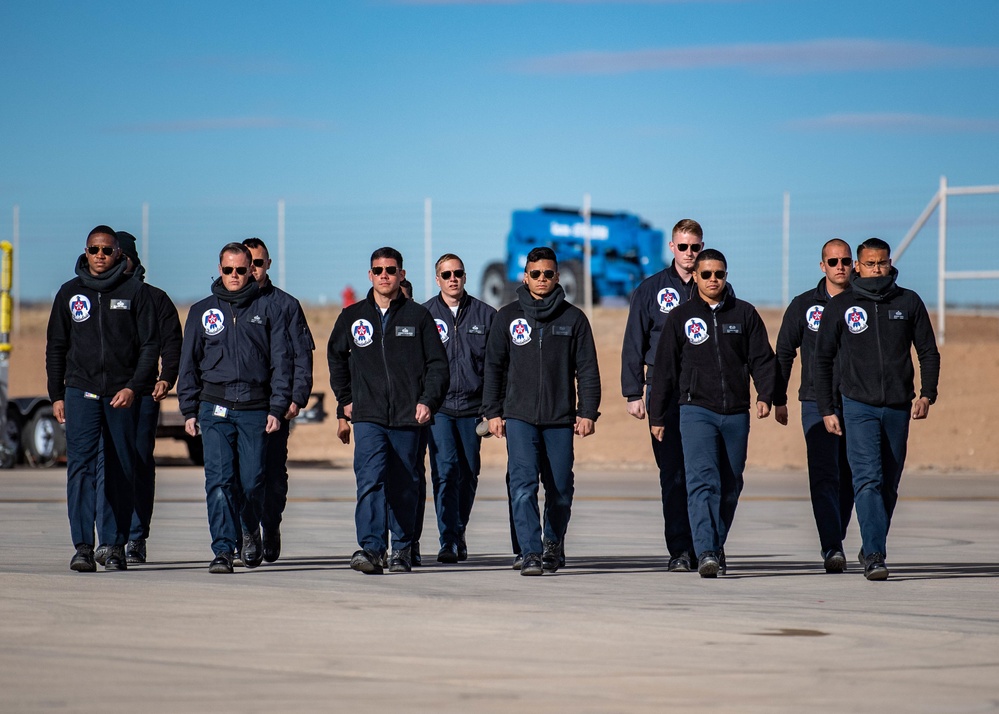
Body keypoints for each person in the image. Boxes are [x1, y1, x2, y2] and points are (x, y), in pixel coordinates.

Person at [814, 237, 940, 581]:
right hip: (858, 405)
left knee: (889, 482)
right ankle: (874, 554)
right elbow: (822, 359)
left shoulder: (908, 302)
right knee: (867, 479)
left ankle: (872, 538)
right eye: (869, 264)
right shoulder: (842, 305)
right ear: (858, 265)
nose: (876, 269)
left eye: (881, 263)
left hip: (899, 406)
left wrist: (927, 393)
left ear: (890, 263)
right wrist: (827, 407)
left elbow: (928, 351)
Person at [649, 248, 776, 578]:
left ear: (726, 276)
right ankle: (705, 550)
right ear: (696, 277)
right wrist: (658, 416)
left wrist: (766, 395)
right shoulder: (680, 317)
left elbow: (763, 359)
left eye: (719, 274)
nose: (713, 279)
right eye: (706, 274)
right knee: (701, 482)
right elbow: (663, 370)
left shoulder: (745, 314)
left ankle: (715, 543)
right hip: (695, 411)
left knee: (731, 483)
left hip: (736, 412)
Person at [328, 247, 449, 574]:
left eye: (391, 270)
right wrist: (345, 399)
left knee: (404, 484)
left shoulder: (418, 317)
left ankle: (403, 547)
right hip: (368, 416)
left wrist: (428, 401)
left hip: (409, 418)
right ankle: (372, 549)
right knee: (369, 479)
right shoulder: (352, 317)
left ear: (401, 275)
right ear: (370, 275)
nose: (384, 275)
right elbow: (336, 358)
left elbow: (438, 365)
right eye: (378, 270)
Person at [45, 225, 158, 572]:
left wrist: (133, 386)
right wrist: (57, 394)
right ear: (86, 250)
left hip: (120, 396)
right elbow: (56, 347)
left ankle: (114, 544)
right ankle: (82, 546)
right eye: (94, 249)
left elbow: (150, 345)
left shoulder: (134, 293)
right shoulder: (69, 293)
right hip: (80, 391)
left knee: (120, 468)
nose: (99, 256)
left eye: (107, 250)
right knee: (80, 468)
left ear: (118, 255)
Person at [482, 247, 601, 576]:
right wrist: (492, 412)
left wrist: (587, 411)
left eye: (548, 274)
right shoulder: (507, 316)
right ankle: (530, 552)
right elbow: (494, 368)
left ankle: (552, 543)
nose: (542, 279)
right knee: (522, 486)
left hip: (560, 419)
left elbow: (587, 370)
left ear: (558, 277)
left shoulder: (574, 318)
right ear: (525, 276)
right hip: (518, 417)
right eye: (536, 274)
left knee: (561, 488)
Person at [177, 243, 292, 574]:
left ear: (251, 270)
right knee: (219, 480)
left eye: (242, 270)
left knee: (254, 481)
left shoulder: (268, 309)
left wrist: (277, 406)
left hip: (256, 408)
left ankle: (249, 526)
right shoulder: (202, 312)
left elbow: (281, 364)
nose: (235, 276)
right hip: (214, 407)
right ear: (219, 269)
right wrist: (188, 410)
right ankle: (223, 550)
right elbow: (189, 364)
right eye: (228, 270)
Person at [93, 231, 183, 565]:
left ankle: (135, 536)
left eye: (118, 254)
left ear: (129, 259)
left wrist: (165, 377)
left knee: (139, 460)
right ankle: (108, 537)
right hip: (105, 392)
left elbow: (172, 342)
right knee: (108, 461)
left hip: (143, 393)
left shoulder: (154, 298)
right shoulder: (95, 296)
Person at [620, 218, 703, 572]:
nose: (689, 254)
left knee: (705, 473)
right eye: (682, 247)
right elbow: (634, 342)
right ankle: (681, 550)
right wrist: (632, 393)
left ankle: (708, 546)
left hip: (703, 392)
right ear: (672, 247)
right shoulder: (651, 288)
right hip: (662, 391)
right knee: (673, 473)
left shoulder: (713, 285)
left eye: (694, 247)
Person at [773, 238, 854, 573]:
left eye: (845, 261)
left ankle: (836, 533)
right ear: (822, 266)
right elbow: (783, 352)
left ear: (854, 265)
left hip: (858, 402)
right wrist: (778, 398)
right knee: (824, 474)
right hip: (815, 402)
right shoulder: (804, 305)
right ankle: (831, 547)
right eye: (832, 262)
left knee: (851, 477)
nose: (839, 267)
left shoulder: (864, 304)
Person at [418, 254, 496, 563]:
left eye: (458, 273)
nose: (453, 278)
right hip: (439, 409)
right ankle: (448, 539)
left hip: (473, 409)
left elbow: (495, 368)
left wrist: (493, 409)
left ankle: (459, 528)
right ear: (437, 279)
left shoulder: (487, 316)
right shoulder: (423, 316)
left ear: (465, 277)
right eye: (446, 274)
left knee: (469, 472)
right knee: (445, 471)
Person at [242, 237, 315, 563]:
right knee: (243, 477)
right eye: (248, 264)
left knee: (272, 476)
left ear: (268, 264)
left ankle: (270, 525)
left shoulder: (286, 305)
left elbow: (302, 357)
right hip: (239, 406)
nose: (253, 270)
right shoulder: (229, 304)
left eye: (259, 263)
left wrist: (296, 399)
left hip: (275, 407)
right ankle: (247, 533)